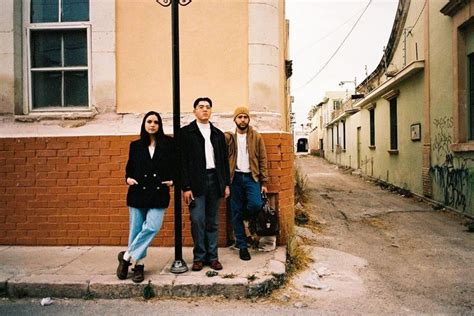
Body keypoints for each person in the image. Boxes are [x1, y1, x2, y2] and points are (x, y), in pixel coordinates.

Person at [116, 111, 175, 283]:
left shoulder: (168, 144)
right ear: (144, 124)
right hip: (138, 191)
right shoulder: (135, 145)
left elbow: (176, 166)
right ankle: (138, 265)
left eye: (156, 122)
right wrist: (127, 178)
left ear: (159, 125)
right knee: (135, 230)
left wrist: (173, 181)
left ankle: (126, 256)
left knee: (152, 226)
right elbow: (129, 168)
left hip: (158, 192)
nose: (152, 124)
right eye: (149, 121)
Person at [181, 97, 230, 271]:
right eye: (201, 107)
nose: (204, 110)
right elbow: (182, 162)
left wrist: (225, 184)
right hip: (196, 183)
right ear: (194, 111)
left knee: (213, 221)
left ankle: (213, 257)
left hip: (215, 180)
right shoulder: (186, 133)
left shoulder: (217, 134)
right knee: (197, 220)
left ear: (211, 111)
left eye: (208, 107)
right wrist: (186, 187)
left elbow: (224, 162)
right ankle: (199, 257)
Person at [225, 106, 268, 261]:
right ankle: (242, 246)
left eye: (245, 117)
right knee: (235, 212)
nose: (242, 120)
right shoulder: (229, 137)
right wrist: (225, 182)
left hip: (252, 177)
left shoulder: (256, 136)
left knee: (256, 204)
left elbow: (263, 159)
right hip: (235, 178)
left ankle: (248, 219)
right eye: (239, 117)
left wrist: (264, 181)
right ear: (235, 119)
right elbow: (223, 160)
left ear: (248, 119)